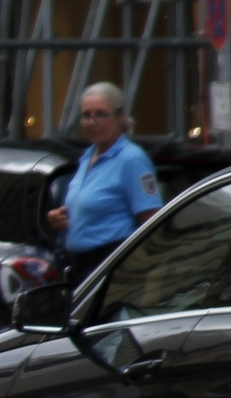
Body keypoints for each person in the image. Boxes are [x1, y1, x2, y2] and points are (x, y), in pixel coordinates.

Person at [48, 81, 161, 288]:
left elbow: (150, 223)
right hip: (80, 268)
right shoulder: (87, 156)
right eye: (86, 115)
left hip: (111, 269)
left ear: (120, 116)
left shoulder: (131, 160)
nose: (92, 122)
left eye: (100, 114)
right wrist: (60, 220)